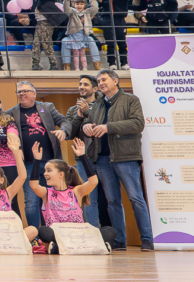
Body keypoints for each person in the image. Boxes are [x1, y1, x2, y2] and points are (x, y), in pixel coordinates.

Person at [79, 69, 152, 251]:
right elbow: (88, 121)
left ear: (116, 81)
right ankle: (119, 241)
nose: (101, 83)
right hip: (103, 159)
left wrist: (108, 127)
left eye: (104, 79)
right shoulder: (97, 104)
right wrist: (87, 126)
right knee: (112, 202)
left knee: (136, 198)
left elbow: (138, 124)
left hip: (126, 158)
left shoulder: (130, 100)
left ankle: (147, 239)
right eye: (98, 81)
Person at [28, 138, 116, 253]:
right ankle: (94, 245)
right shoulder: (46, 193)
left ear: (61, 174)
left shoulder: (76, 191)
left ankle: (58, 248)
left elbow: (93, 181)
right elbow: (34, 185)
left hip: (78, 234)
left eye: (49, 170)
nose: (45, 174)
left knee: (109, 231)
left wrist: (82, 156)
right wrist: (36, 160)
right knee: (44, 232)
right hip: (58, 234)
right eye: (45, 171)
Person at [5, 80, 70, 229]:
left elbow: (64, 121)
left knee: (52, 198)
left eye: (25, 91)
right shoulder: (11, 113)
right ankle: (34, 234)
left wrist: (63, 131)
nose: (22, 94)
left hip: (50, 163)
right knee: (31, 201)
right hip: (28, 163)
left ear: (34, 94)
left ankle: (54, 231)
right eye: (19, 91)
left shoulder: (47, 107)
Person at [65, 75, 104, 227]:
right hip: (83, 158)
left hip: (103, 156)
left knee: (111, 198)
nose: (81, 87)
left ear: (95, 88)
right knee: (88, 199)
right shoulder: (72, 110)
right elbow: (70, 134)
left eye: (86, 84)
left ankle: (113, 235)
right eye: (80, 84)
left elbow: (103, 125)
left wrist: (88, 112)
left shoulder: (103, 105)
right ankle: (93, 231)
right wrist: (79, 116)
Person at [61, 0, 101, 70]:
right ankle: (66, 65)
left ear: (85, 5)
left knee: (92, 41)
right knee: (64, 41)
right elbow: (66, 9)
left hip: (84, 35)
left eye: (81, 4)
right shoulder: (72, 12)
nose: (79, 6)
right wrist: (66, 0)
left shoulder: (87, 12)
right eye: (77, 4)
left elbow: (95, 8)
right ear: (73, 4)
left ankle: (97, 63)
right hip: (73, 36)